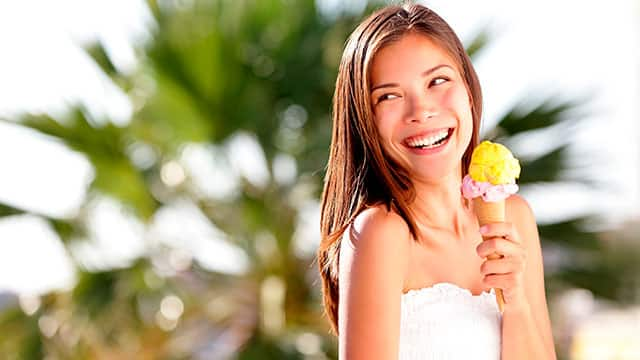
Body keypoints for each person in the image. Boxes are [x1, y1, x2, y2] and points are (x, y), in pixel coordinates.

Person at [317, 3, 556, 359]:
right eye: (389, 96)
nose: (421, 111)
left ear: (468, 87)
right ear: (364, 119)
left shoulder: (514, 217)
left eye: (437, 81)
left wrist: (517, 301)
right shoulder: (381, 233)